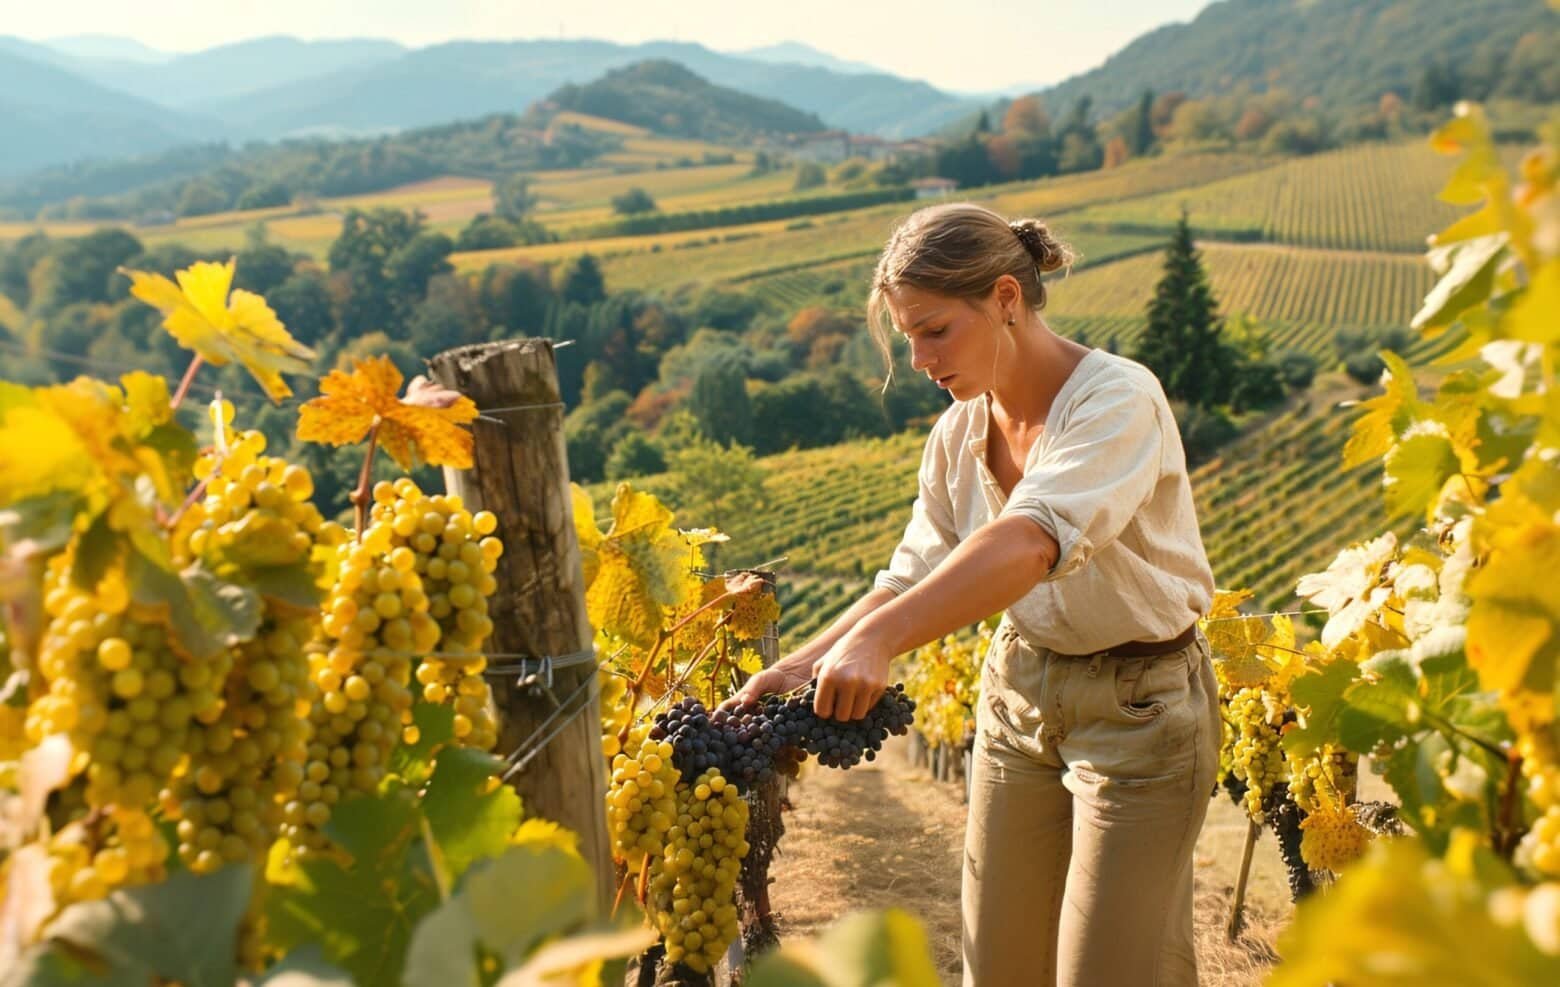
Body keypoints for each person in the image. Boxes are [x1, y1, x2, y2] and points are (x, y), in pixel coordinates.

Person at [729, 202, 1219, 986]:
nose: (919, 360)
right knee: (996, 970)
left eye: (934, 330)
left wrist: (879, 642)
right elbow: (906, 578)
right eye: (907, 337)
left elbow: (1031, 540)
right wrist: (802, 664)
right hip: (1018, 693)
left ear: (1004, 298)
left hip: (1141, 711)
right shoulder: (957, 434)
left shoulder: (1117, 401)